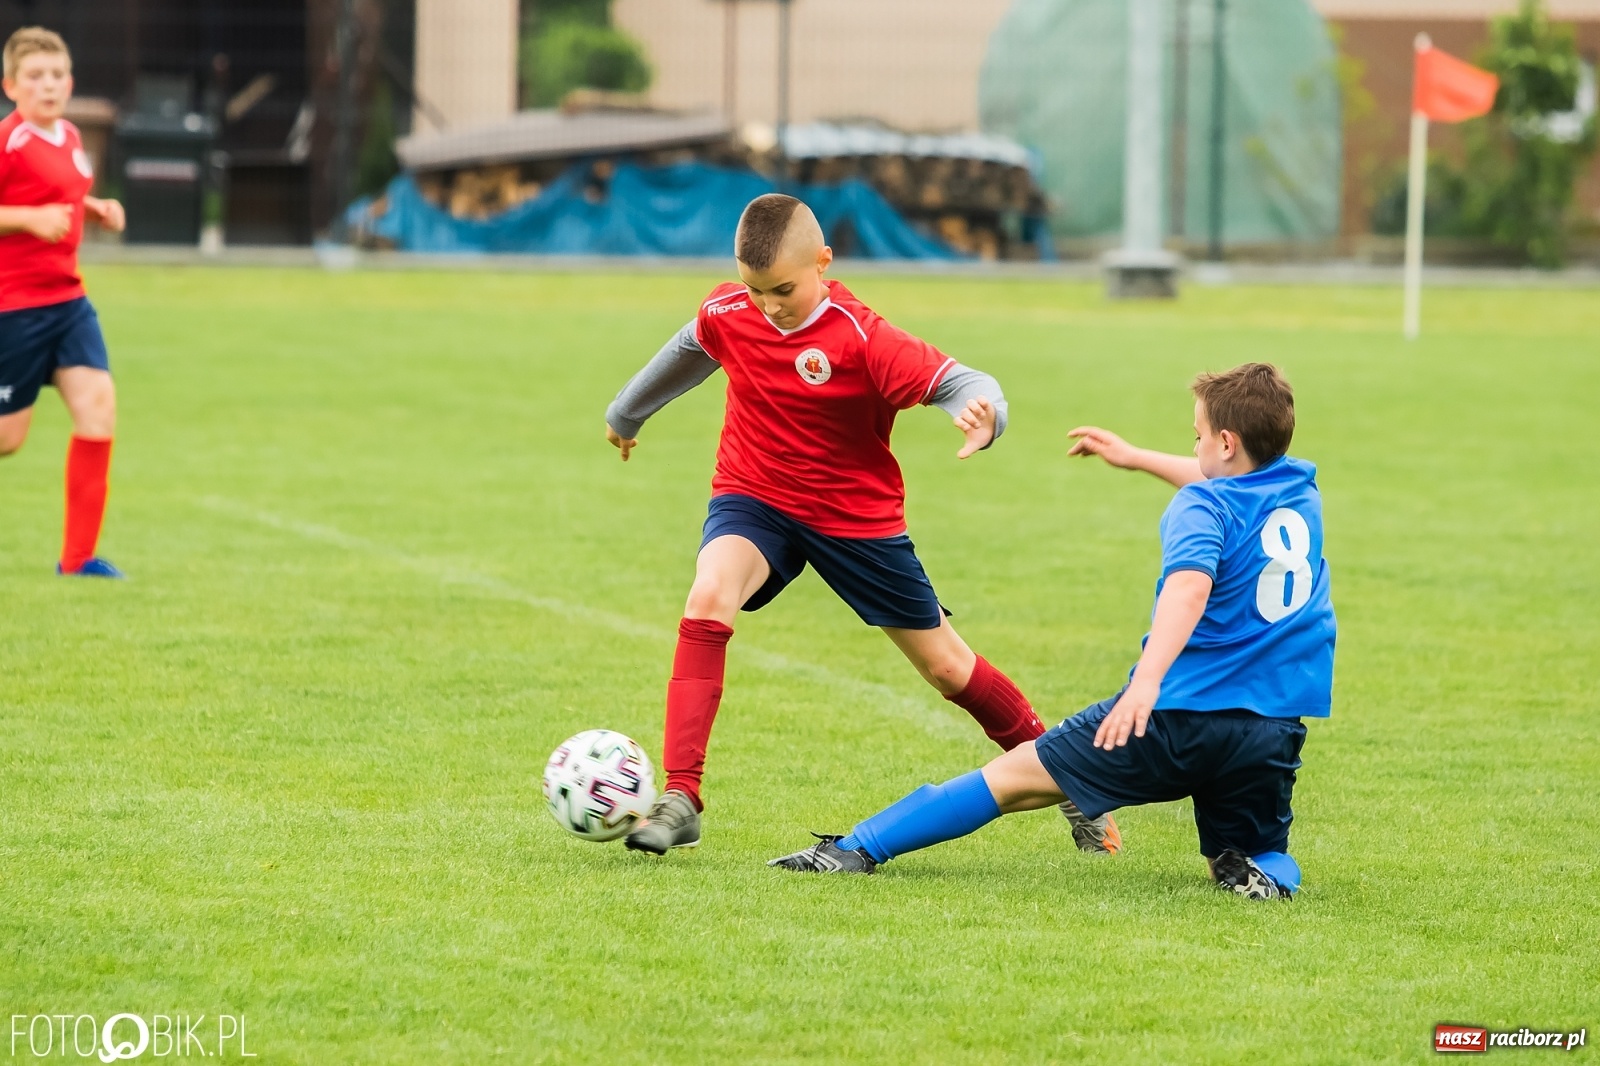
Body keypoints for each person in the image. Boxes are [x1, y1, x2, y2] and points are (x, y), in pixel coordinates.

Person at [604, 193, 1118, 856]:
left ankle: (1073, 781)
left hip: (854, 519)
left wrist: (986, 417)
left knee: (946, 669)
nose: (767, 305)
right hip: (755, 496)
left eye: (782, 289)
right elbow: (690, 347)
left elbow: (965, 381)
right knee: (708, 597)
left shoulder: (861, 337)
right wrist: (626, 415)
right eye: (753, 290)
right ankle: (682, 796)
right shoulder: (732, 310)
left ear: (824, 262)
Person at [769, 363, 1335, 899]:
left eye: (1198, 436)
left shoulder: (1199, 506)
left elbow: (1189, 588)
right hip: (1271, 727)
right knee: (1250, 851)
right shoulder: (1299, 492)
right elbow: (1231, 480)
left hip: (1178, 716)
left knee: (1008, 779)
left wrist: (1146, 685)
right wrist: (1135, 457)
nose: (1194, 448)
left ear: (1227, 442)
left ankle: (854, 849)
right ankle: (1268, 877)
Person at [0, 27, 126, 577]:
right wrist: (27, 219)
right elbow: (30, 206)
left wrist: (95, 208)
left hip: (68, 300)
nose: (48, 85)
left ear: (69, 82)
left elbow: (62, 195)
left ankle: (78, 560)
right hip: (15, 306)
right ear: (11, 86)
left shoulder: (70, 135)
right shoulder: (9, 141)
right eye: (35, 76)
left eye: (56, 75)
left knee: (98, 410)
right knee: (8, 439)